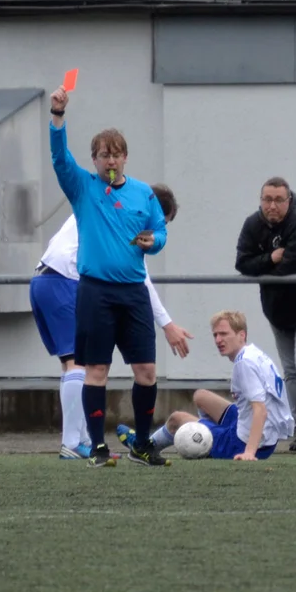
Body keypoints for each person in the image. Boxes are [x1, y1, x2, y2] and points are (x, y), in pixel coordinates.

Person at [48, 85, 173, 468]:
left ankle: (142, 445)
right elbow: (59, 158)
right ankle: (98, 448)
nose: (111, 161)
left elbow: (160, 231)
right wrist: (58, 116)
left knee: (146, 371)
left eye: (117, 154)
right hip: (95, 292)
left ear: (126, 157)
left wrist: (154, 241)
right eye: (104, 155)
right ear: (95, 160)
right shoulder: (84, 187)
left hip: (133, 292)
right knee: (96, 369)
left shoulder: (143, 194)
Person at [30, 184, 193, 460]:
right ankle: (73, 443)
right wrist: (167, 324)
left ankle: (80, 440)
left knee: (72, 364)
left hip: (44, 280)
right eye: (160, 224)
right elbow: (140, 278)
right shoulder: (127, 217)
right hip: (65, 280)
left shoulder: (110, 204)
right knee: (78, 364)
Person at [235, 176, 296, 452]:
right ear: (261, 200)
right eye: (267, 199)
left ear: (288, 201)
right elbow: (242, 263)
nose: (272, 205)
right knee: (289, 370)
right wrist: (270, 258)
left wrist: (265, 266)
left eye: (278, 200)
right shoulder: (253, 224)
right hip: (278, 311)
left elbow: (290, 266)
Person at [118, 310, 294, 460]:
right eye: (215, 335)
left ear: (242, 335)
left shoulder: (244, 363)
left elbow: (260, 410)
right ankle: (209, 436)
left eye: (224, 334)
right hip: (259, 432)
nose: (218, 340)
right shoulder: (253, 353)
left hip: (244, 443)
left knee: (177, 419)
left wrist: (249, 452)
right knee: (201, 396)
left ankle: (143, 447)